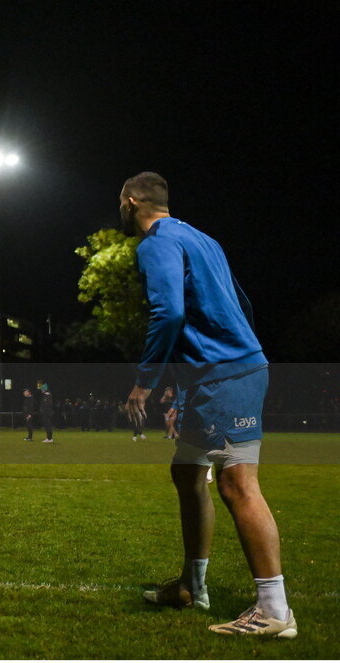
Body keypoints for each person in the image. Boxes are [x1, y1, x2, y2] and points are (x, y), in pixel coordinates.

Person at [120, 172, 295, 638]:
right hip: (223, 371)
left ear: (132, 201)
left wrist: (146, 381)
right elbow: (241, 302)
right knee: (187, 471)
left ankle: (275, 611)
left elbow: (170, 312)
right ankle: (191, 587)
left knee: (238, 484)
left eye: (121, 202)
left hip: (225, 374)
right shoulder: (203, 238)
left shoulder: (155, 241)